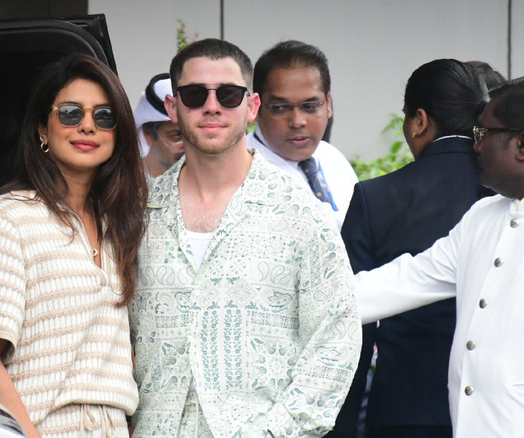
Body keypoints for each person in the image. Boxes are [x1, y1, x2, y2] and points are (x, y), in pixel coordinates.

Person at [128, 38, 361, 438]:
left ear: (251, 107)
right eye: (195, 94)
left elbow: (335, 340)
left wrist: (277, 432)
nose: (212, 106)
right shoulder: (137, 216)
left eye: (229, 95)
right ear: (173, 107)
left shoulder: (299, 213)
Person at [0, 53, 147, 438]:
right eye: (71, 113)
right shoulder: (8, 219)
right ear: (42, 128)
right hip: (40, 427)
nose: (88, 125)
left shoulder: (116, 224)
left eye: (104, 116)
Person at [354, 74, 524, 437]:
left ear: (522, 145)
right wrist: (288, 300)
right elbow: (403, 281)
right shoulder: (483, 216)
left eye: (482, 135)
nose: (474, 148)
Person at [341, 59, 490, 438]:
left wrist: (341, 425)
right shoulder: (504, 195)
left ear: (419, 120)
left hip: (404, 406)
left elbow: (351, 320)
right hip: (491, 408)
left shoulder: (375, 197)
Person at [247, 40, 358, 229]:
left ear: (328, 104)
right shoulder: (239, 171)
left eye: (310, 106)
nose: (298, 121)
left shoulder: (331, 156)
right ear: (256, 108)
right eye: (281, 108)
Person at [133, 73, 184, 179]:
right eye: (177, 135)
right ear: (148, 134)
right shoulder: (123, 185)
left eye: (193, 135)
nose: (189, 146)